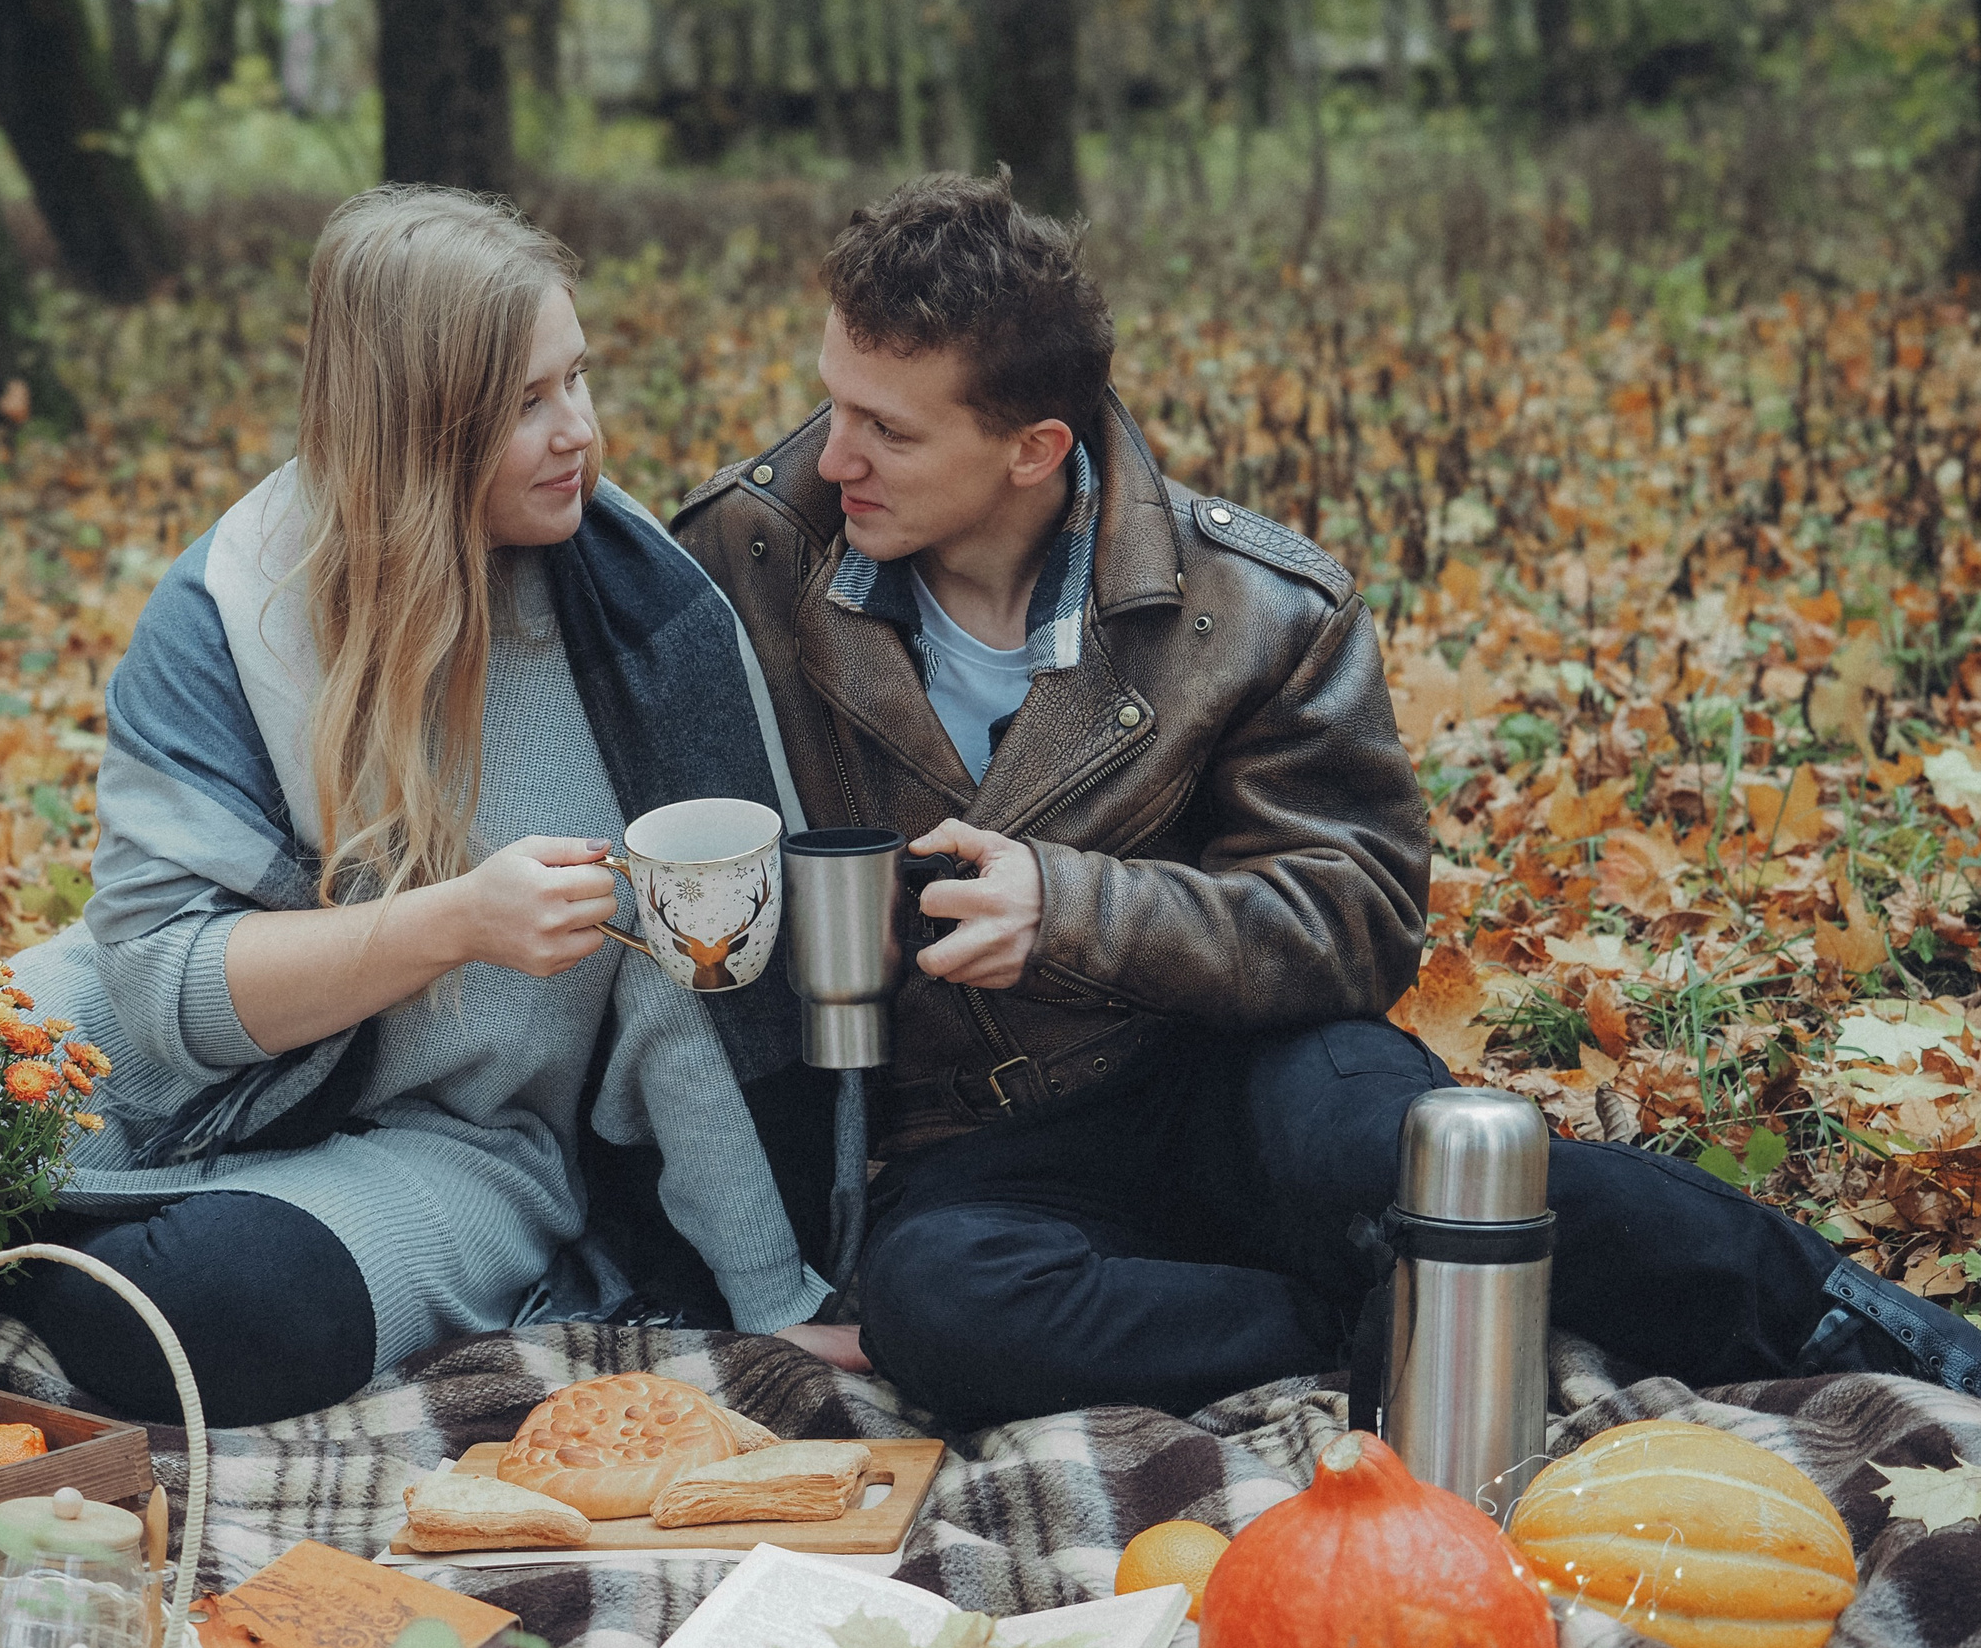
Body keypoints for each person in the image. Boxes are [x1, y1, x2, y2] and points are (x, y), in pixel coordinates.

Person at [673, 170, 1981, 1430]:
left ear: (1035, 449)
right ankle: (1381, 1310)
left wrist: (1071, 909)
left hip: (1243, 1070)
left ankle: (1857, 1330)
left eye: (889, 429)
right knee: (938, 1308)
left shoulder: (1256, 609)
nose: (832, 454)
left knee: (1401, 1155)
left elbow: (1352, 920)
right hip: (983, 1140)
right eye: (834, 403)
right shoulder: (744, 562)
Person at [8, 186, 856, 1427]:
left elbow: (699, 1002)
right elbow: (160, 984)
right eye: (525, 403)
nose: (579, 432)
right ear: (414, 424)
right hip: (160, 1055)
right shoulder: (228, 612)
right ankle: (9, 1210)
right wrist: (452, 922)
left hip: (459, 1142)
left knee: (203, 1313)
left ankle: (25, 1233)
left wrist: (771, 1295)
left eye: (577, 379)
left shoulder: (644, 627)